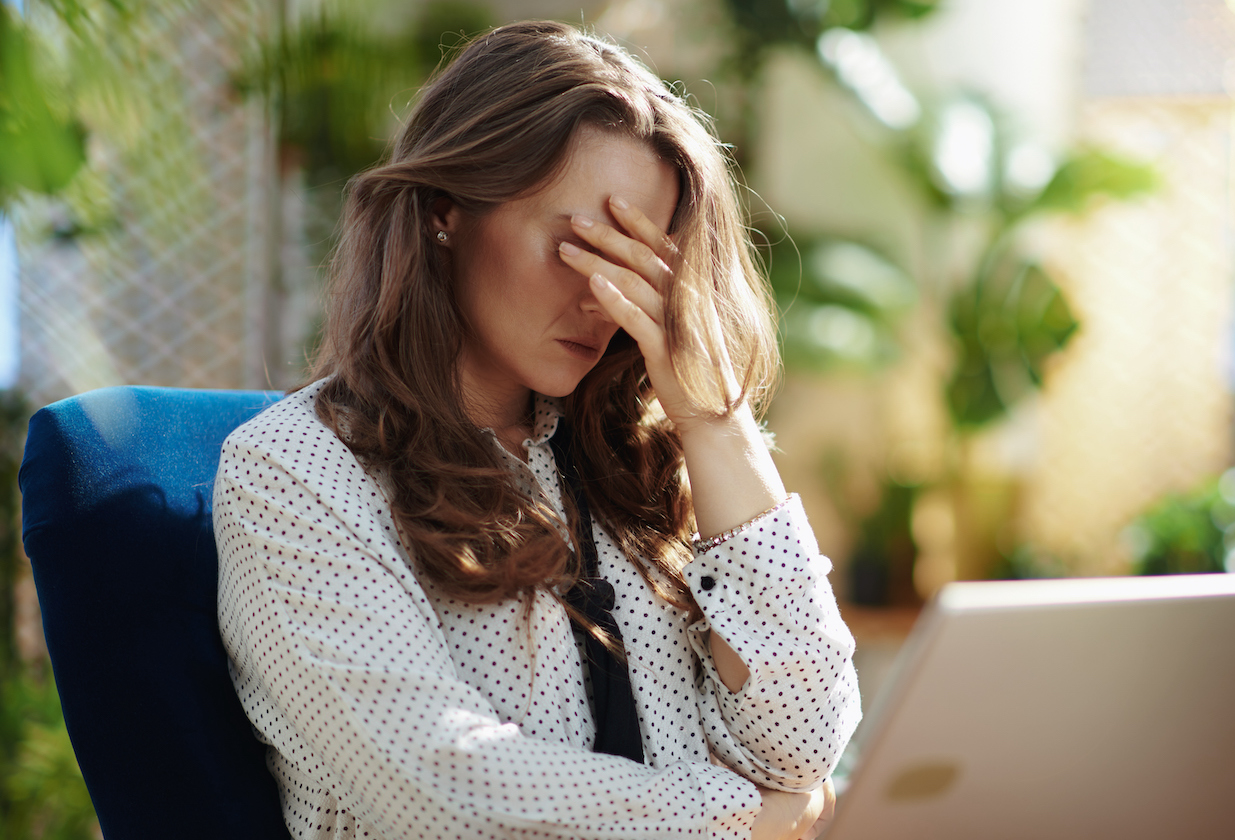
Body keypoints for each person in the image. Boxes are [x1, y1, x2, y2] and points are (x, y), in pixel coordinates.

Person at [214, 20, 860, 840]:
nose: (602, 299)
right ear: (446, 211)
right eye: (576, 247)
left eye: (633, 265)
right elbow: (446, 797)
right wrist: (744, 821)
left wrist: (716, 420)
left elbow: (801, 748)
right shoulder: (294, 474)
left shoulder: (649, 464)